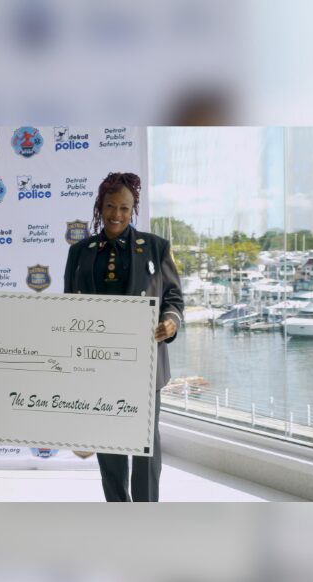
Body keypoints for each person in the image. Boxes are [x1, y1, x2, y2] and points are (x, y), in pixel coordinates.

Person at [63, 172, 184, 502]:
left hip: (144, 365)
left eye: (124, 208)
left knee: (145, 447)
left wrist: (170, 323)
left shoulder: (157, 247)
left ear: (134, 210)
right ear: (100, 207)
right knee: (109, 444)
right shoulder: (79, 252)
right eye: (110, 206)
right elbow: (66, 309)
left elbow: (173, 298)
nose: (117, 215)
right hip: (98, 366)